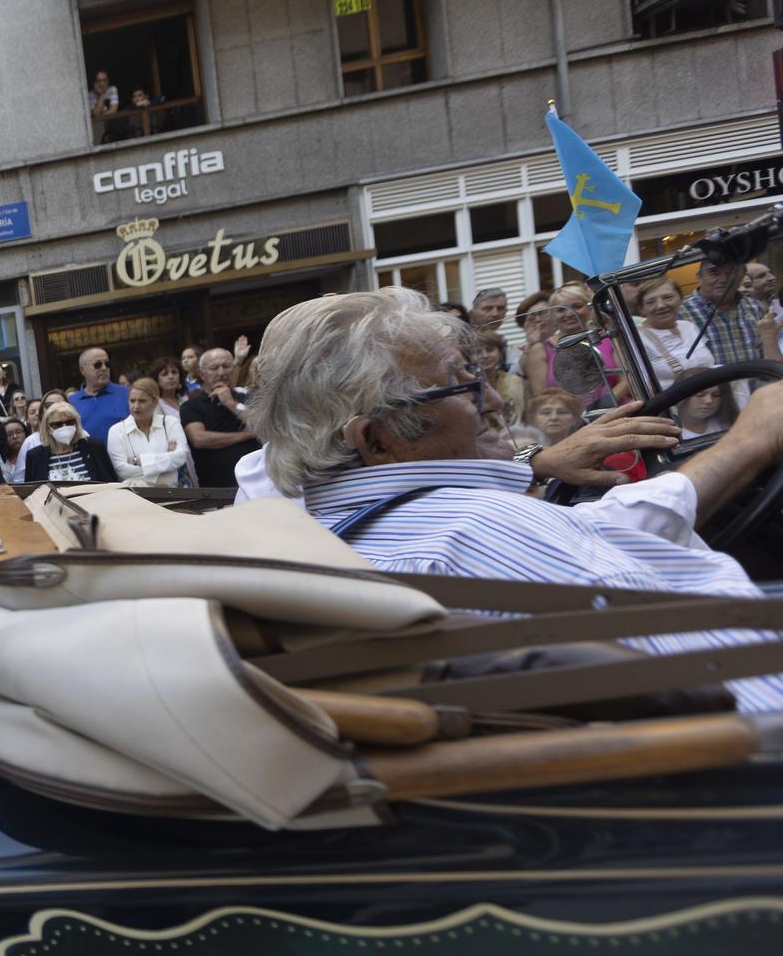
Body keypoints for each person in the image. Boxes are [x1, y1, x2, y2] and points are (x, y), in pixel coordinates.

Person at [244, 286, 783, 714]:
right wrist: (750, 443)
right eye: (461, 386)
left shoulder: (309, 540)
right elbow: (743, 685)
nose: (495, 400)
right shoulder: (481, 530)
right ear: (377, 440)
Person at [681, 253, 782, 384]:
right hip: (713, 398)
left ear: (741, 276)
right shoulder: (682, 312)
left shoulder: (753, 306)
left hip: (758, 393)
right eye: (714, 273)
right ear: (699, 277)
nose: (724, 279)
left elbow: (767, 354)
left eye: (731, 272)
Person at [181, 347, 260, 488]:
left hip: (257, 484)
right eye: (214, 368)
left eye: (226, 366)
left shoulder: (247, 397)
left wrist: (231, 404)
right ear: (202, 374)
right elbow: (199, 439)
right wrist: (247, 435)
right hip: (217, 492)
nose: (221, 372)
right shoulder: (191, 406)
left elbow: (262, 426)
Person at [105, 379, 195, 488]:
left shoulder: (170, 423)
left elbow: (181, 456)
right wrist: (167, 467)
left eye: (142, 401)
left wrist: (138, 460)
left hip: (173, 495)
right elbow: (122, 470)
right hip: (136, 498)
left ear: (155, 402)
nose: (136, 406)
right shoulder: (116, 431)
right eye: (132, 401)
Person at [634, 277, 715, 390]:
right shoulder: (636, 337)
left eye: (668, 297)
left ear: (681, 299)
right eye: (651, 302)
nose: (661, 305)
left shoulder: (689, 326)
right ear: (641, 309)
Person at [25, 400, 118, 483]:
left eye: (70, 422)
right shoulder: (35, 457)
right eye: (58, 424)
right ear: (48, 428)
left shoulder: (94, 447)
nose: (65, 427)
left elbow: (111, 482)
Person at [68, 347, 129, 443]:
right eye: (98, 365)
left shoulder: (126, 394)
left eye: (107, 364)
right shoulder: (70, 403)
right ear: (82, 370)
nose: (104, 368)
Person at [473, 329, 525, 427]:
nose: (484, 356)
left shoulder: (514, 381)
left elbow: (522, 416)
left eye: (490, 350)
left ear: (500, 353)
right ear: (469, 357)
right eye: (478, 352)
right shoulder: (466, 387)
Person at [1, 417, 30, 482]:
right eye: (9, 434)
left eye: (18, 432)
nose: (15, 436)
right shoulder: (2, 461)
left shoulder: (34, 456)